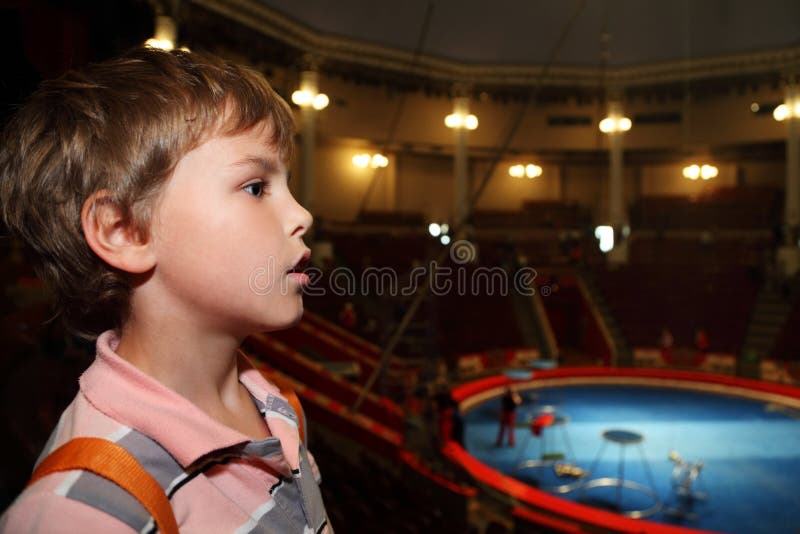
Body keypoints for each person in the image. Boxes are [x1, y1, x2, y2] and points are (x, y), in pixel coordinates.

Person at [0, 48, 331, 533]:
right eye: (256, 187)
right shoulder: (86, 511)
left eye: (288, 186)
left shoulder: (276, 409)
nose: (303, 215)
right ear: (124, 231)